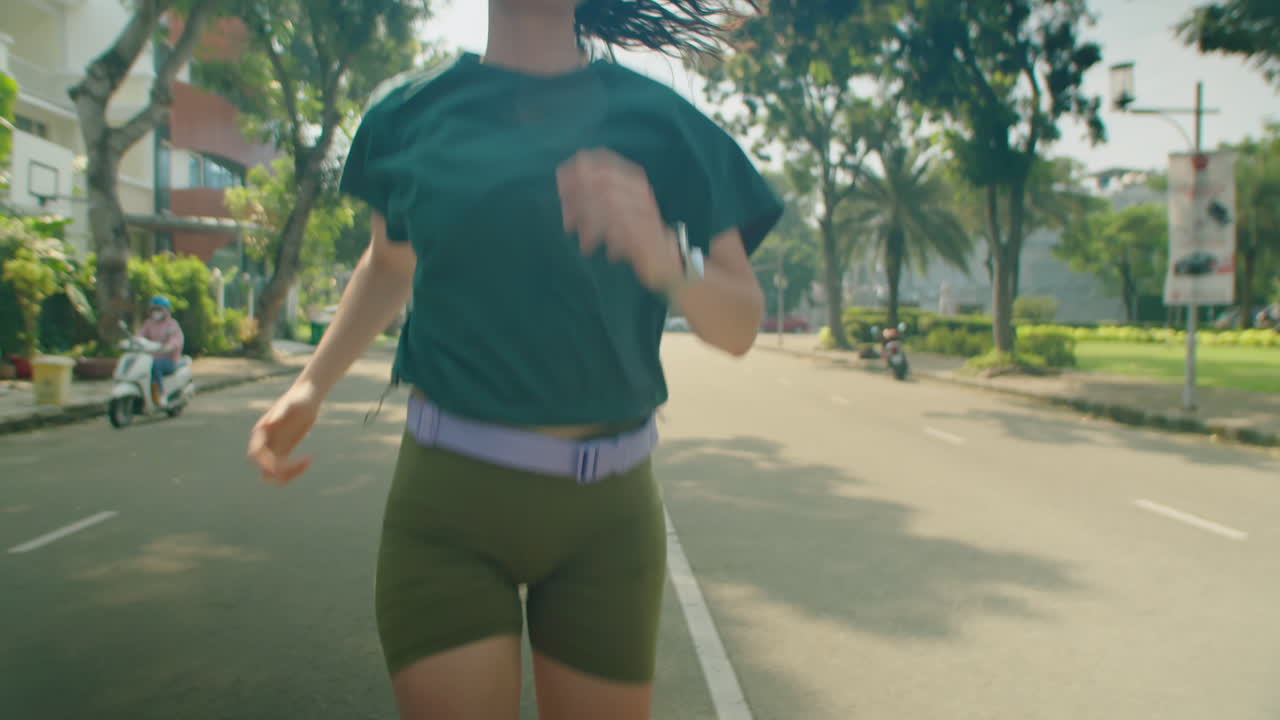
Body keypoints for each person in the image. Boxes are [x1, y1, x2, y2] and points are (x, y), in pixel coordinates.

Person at [247, 1, 782, 718]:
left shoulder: (665, 123)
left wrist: (662, 253)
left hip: (608, 523)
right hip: (448, 511)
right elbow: (387, 261)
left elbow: (741, 322)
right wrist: (311, 386)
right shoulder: (407, 113)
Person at [139, 295, 184, 406]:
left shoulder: (171, 324)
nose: (156, 312)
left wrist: (169, 346)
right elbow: (140, 335)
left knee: (155, 366)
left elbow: (176, 340)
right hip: (149, 358)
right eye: (154, 309)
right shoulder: (148, 323)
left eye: (159, 309)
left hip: (169, 360)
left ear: (166, 310)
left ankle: (160, 394)